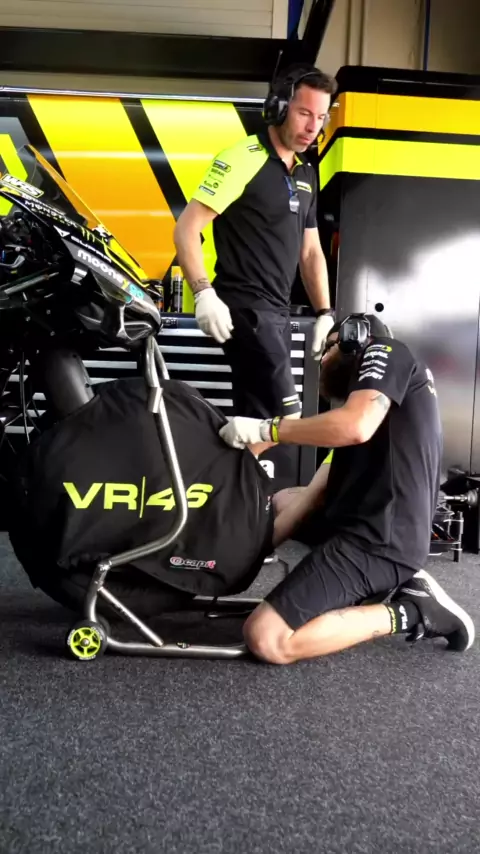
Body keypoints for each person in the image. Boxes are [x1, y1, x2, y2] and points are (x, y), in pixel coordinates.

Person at [219, 313, 476, 663]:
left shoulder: (387, 351)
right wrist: (244, 560)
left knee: (267, 638)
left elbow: (355, 426)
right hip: (358, 525)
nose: (322, 359)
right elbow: (311, 498)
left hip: (381, 541)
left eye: (329, 347)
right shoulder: (360, 411)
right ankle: (377, 586)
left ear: (356, 339)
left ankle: (414, 610)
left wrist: (266, 429)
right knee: (284, 499)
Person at [173, 62, 338, 424]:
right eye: (304, 113)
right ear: (278, 108)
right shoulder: (241, 158)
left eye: (321, 117)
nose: (313, 127)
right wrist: (203, 293)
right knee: (286, 419)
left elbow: (310, 251)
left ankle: (232, 462)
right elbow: (187, 228)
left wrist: (325, 313)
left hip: (277, 313)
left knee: (255, 422)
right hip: (246, 309)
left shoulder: (306, 172)